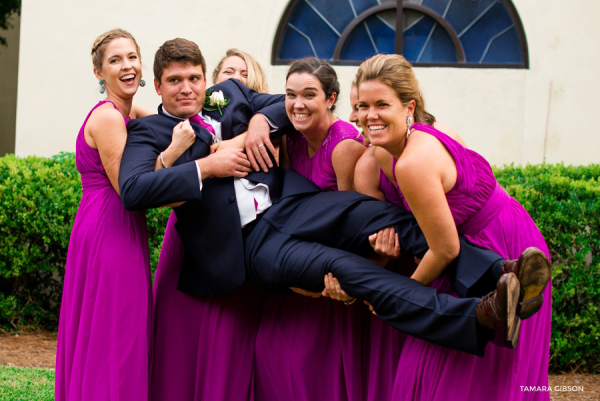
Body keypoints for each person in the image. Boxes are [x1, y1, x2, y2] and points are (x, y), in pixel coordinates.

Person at [119, 38, 549, 367]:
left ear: (205, 78)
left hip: (287, 204)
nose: (188, 89)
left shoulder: (229, 94)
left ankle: (501, 270)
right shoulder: (148, 133)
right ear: (157, 85)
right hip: (251, 244)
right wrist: (205, 169)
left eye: (194, 78)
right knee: (350, 270)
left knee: (380, 216)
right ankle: (480, 317)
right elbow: (134, 191)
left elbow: (289, 104)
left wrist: (255, 123)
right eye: (175, 81)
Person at [354, 54, 552, 400]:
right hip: (477, 249)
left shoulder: (413, 162)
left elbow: (446, 248)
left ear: (408, 107)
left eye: (381, 104)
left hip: (497, 249)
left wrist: (398, 295)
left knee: (456, 376)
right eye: (362, 105)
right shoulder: (390, 150)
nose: (369, 116)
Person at [55, 29, 195, 401]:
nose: (127, 66)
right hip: (108, 230)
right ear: (100, 74)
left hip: (117, 228)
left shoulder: (130, 112)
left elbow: (174, 118)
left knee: (121, 326)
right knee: (113, 328)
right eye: (115, 60)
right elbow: (134, 191)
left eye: (132, 57)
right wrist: (174, 152)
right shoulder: (108, 119)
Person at [147, 41, 281, 401]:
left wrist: (242, 136)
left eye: (243, 75)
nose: (234, 80)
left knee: (227, 339)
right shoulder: (186, 117)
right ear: (213, 82)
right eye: (228, 73)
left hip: (239, 239)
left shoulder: (265, 126)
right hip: (191, 231)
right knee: (178, 333)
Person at [252, 57, 367, 400]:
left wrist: (331, 282)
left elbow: (354, 222)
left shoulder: (345, 146)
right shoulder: (290, 138)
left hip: (329, 271)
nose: (297, 104)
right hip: (292, 261)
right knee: (270, 355)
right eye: (290, 95)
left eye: (308, 95)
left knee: (314, 370)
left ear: (331, 99)